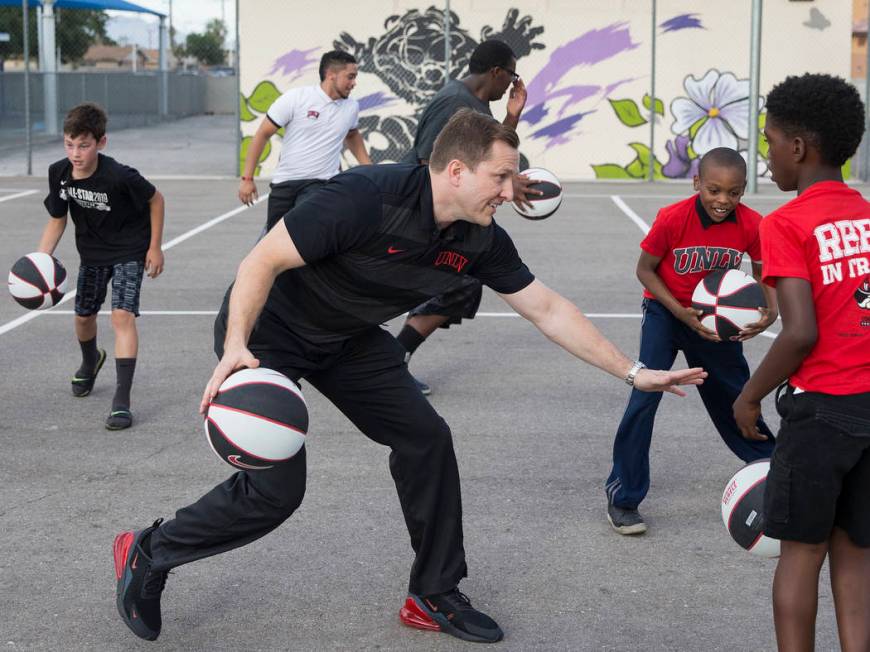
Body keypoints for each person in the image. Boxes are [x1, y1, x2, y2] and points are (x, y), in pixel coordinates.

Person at [113, 109, 706, 644]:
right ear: (455, 171)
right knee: (276, 492)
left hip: (348, 339)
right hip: (268, 335)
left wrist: (633, 372)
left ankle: (433, 592)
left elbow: (546, 307)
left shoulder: (478, 239)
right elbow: (261, 260)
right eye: (500, 178)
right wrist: (236, 345)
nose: (511, 191)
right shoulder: (365, 197)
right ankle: (149, 551)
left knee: (426, 438)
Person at [733, 73, 870, 652]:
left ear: (798, 148)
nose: (765, 155)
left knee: (800, 555)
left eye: (769, 141)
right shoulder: (864, 214)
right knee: (856, 555)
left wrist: (749, 395)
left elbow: (800, 333)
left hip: (821, 417)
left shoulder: (785, 224)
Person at [605, 147, 778, 536]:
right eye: (714, 190)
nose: (723, 200)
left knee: (738, 397)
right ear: (697, 183)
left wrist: (771, 310)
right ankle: (624, 497)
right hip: (666, 313)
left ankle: (776, 472)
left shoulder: (752, 224)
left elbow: (765, 271)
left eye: (733, 193)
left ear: (743, 191)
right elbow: (645, 270)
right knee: (644, 397)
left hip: (716, 323)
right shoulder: (673, 218)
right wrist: (680, 311)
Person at [396, 39, 540, 395]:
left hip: (448, 213)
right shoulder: (454, 103)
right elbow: (429, 165)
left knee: (462, 283)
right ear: (496, 71)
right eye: (512, 75)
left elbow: (489, 154)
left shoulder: (474, 104)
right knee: (456, 281)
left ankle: (392, 356)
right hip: (424, 212)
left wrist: (513, 115)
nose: (512, 82)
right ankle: (386, 359)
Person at [37, 102, 165, 431]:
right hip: (91, 254)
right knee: (83, 318)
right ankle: (90, 360)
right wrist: (41, 260)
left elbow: (156, 199)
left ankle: (122, 400)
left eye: (84, 145)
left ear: (101, 143)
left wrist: (154, 247)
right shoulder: (59, 174)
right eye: (69, 143)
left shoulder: (119, 175)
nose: (76, 153)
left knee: (121, 316)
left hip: (129, 250)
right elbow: (57, 220)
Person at [238, 49, 371, 233]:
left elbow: (352, 135)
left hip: (321, 183)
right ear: (331, 75)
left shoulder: (351, 107)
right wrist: (247, 179)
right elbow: (262, 134)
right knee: (274, 242)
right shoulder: (296, 98)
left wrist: (370, 169)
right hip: (284, 183)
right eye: (350, 77)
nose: (354, 83)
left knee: (303, 234)